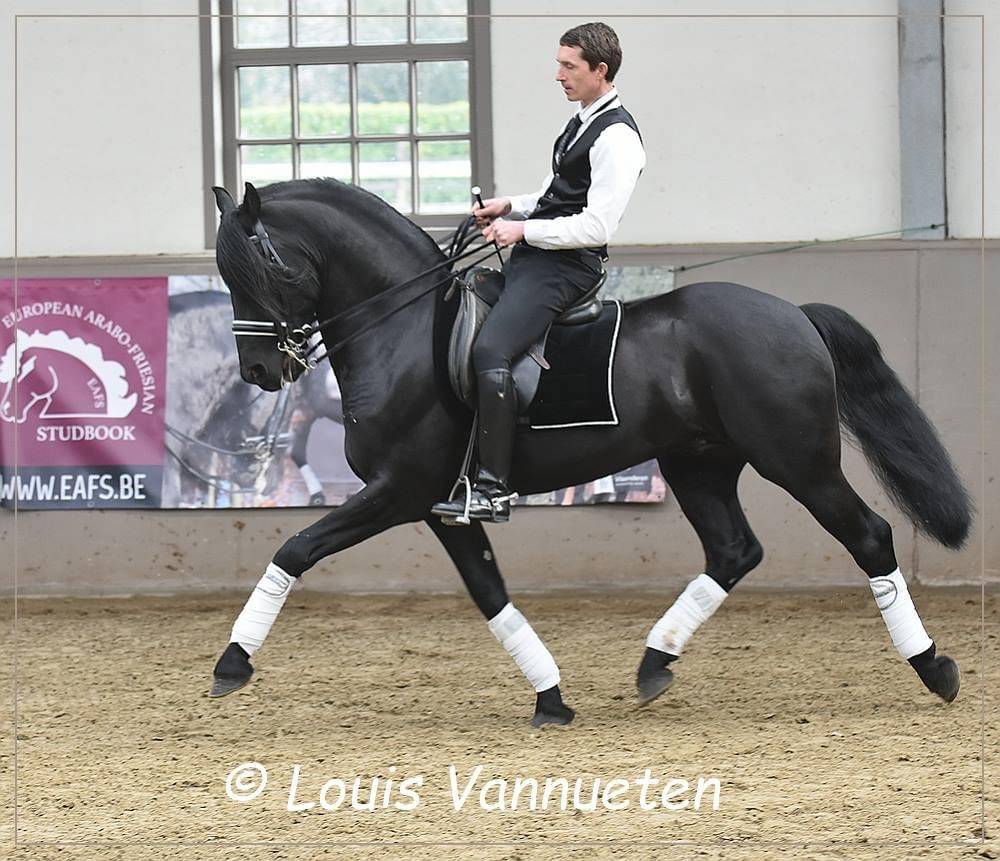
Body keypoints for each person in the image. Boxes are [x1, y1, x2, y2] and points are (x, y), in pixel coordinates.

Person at [433, 21, 646, 523]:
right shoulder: (580, 121)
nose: (559, 75)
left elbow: (596, 224)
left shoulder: (617, 137)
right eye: (559, 64)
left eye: (568, 66)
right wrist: (512, 205)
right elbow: (558, 197)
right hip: (540, 256)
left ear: (601, 70)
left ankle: (493, 487)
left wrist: (520, 231)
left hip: (568, 267)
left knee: (491, 350)